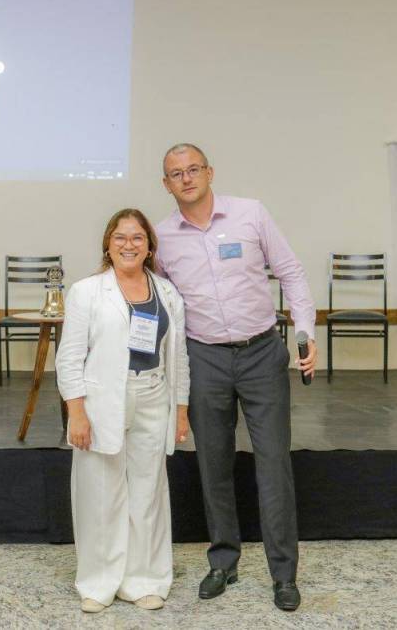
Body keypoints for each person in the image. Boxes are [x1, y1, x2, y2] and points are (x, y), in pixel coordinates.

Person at [154, 143, 317, 612]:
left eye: (193, 169)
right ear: (166, 184)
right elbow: (162, 301)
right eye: (176, 174)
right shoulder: (162, 238)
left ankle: (283, 573)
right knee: (213, 463)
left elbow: (291, 273)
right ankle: (223, 561)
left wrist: (305, 330)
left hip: (262, 353)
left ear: (209, 172)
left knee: (274, 464)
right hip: (204, 358)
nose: (186, 178)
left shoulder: (251, 214)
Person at [55, 208, 191, 614]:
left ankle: (145, 580)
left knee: (148, 495)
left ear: (149, 247)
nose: (128, 245)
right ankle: (98, 583)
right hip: (102, 403)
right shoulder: (86, 291)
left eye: (137, 238)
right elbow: (69, 358)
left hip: (154, 396)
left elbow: (179, 357)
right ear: (107, 244)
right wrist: (76, 413)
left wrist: (181, 409)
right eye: (120, 237)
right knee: (100, 494)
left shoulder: (167, 293)